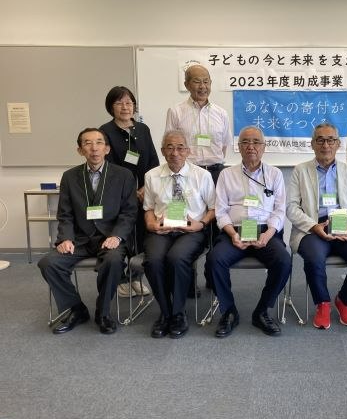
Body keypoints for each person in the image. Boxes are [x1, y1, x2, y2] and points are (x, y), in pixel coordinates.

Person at [38, 128, 137, 335]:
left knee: (113, 261)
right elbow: (65, 214)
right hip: (80, 239)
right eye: (87, 143)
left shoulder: (124, 175)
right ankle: (76, 309)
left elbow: (129, 213)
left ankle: (103, 311)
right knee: (48, 263)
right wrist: (65, 238)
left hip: (110, 238)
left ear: (107, 149)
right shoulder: (69, 177)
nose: (94, 148)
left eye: (99, 142)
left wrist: (117, 236)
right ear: (80, 150)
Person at [205, 126, 291, 338]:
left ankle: (262, 311)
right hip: (234, 231)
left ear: (264, 147)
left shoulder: (275, 174)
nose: (251, 146)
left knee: (284, 261)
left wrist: (268, 234)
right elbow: (221, 211)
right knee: (214, 259)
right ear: (239, 147)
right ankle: (229, 311)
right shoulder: (226, 174)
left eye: (255, 142)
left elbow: (280, 210)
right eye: (245, 142)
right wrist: (232, 234)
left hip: (265, 231)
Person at [287, 123, 347, 330]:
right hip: (312, 229)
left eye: (331, 140)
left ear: (338, 144)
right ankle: (322, 303)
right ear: (312, 144)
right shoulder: (300, 171)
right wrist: (313, 226)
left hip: (344, 227)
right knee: (314, 258)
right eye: (320, 140)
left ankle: (343, 300)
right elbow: (291, 207)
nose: (326, 145)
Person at [142, 130, 215, 339]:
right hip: (162, 229)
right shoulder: (152, 176)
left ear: (188, 151)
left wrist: (201, 224)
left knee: (177, 258)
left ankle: (178, 313)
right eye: (170, 147)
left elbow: (214, 208)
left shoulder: (202, 175)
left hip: (191, 231)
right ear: (162, 151)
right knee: (153, 260)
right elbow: (148, 208)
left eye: (180, 147)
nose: (175, 153)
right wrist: (151, 224)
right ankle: (165, 312)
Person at [100, 86, 159, 298]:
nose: (125, 107)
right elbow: (108, 166)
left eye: (129, 102)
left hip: (144, 193)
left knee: (142, 236)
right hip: (118, 195)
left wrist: (145, 187)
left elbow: (153, 161)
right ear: (111, 107)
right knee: (122, 235)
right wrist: (129, 191)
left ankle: (135, 277)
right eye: (119, 103)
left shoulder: (142, 129)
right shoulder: (105, 131)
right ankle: (121, 280)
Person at [165, 64, 231, 185]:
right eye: (197, 82)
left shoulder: (221, 113)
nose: (202, 86)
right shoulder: (176, 112)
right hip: (188, 174)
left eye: (206, 82)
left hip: (216, 174)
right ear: (187, 85)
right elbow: (169, 146)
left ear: (210, 83)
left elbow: (224, 145)